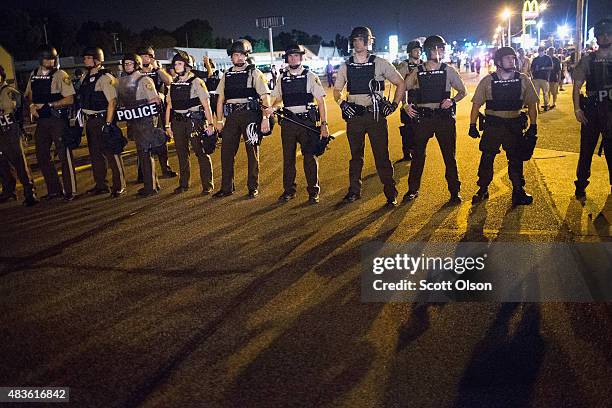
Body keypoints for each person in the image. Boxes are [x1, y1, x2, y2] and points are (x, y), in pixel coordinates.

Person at [333, 26, 406, 206]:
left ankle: (390, 193)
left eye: (360, 39)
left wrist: (394, 105)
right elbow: (336, 91)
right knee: (355, 156)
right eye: (355, 39)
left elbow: (401, 83)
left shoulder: (380, 63)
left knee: (382, 156)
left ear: (368, 41)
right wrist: (342, 103)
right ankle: (354, 191)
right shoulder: (346, 65)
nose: (357, 42)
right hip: (355, 117)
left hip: (375, 117)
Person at [469, 47, 539, 206]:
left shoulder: (523, 79)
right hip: (493, 126)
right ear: (498, 62)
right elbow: (476, 105)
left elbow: (532, 104)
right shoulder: (488, 81)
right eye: (508, 58)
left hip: (514, 125)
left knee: (515, 159)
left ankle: (518, 191)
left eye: (513, 58)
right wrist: (472, 125)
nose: (511, 61)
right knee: (487, 158)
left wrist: (533, 125)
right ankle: (483, 189)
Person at [404, 35, 467, 204]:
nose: (438, 52)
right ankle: (412, 189)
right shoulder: (418, 71)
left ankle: (455, 191)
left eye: (440, 49)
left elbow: (463, 91)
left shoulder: (448, 70)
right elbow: (403, 86)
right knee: (418, 156)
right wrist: (405, 105)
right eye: (434, 49)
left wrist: (452, 101)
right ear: (427, 51)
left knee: (449, 156)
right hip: (423, 118)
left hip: (443, 118)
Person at [266, 43, 329, 204]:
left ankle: (313, 191)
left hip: (306, 122)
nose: (293, 58)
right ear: (287, 58)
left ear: (301, 57)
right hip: (288, 123)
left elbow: (321, 102)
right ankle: (289, 191)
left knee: (309, 157)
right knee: (288, 159)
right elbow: (278, 99)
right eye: (290, 56)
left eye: (296, 55)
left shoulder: (310, 76)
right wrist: (272, 109)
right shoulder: (282, 77)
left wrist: (324, 124)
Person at [213, 39, 271, 198]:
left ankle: (253, 187)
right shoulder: (227, 74)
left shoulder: (254, 72)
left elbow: (265, 97)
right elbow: (220, 99)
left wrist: (265, 118)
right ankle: (226, 188)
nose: (238, 58)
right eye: (235, 55)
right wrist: (219, 121)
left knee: (252, 152)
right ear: (231, 57)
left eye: (241, 55)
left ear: (246, 56)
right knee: (226, 153)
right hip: (231, 117)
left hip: (250, 116)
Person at [25, 44, 77, 200]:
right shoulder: (34, 74)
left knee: (64, 155)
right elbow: (29, 94)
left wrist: (50, 104)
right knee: (41, 155)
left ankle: (70, 190)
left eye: (53, 59)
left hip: (57, 119)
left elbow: (70, 98)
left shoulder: (61, 74)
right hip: (42, 121)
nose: (52, 62)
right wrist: (32, 105)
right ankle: (54, 190)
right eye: (48, 59)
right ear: (41, 60)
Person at [164, 50, 216, 195]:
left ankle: (207, 185)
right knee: (181, 154)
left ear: (187, 66)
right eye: (175, 64)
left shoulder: (197, 82)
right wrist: (167, 125)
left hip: (194, 122)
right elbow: (169, 105)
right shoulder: (173, 83)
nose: (176, 66)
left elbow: (206, 105)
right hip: (178, 122)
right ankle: (184, 184)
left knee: (201, 152)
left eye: (180, 63)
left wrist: (211, 124)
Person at [572, 18, 612, 200]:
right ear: (596, 37)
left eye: (608, 34)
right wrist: (577, 109)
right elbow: (577, 86)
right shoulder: (588, 60)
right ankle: (580, 184)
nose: (605, 37)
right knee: (586, 150)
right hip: (592, 111)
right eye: (601, 35)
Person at [116, 53, 162, 196]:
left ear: (136, 64)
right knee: (142, 153)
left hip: (145, 120)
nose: (127, 66)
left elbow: (154, 100)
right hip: (134, 121)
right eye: (125, 63)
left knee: (145, 151)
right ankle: (153, 184)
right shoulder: (122, 81)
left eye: (130, 63)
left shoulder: (144, 80)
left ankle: (150, 187)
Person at [0, 65, 38, 206]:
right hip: (2, 132)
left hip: (11, 131)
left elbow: (10, 109)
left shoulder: (9, 91)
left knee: (19, 162)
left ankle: (30, 192)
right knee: (2, 163)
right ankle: (8, 191)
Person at [137, 46, 177, 179]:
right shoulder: (135, 72)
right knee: (142, 142)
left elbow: (169, 81)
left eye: (148, 56)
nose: (145, 59)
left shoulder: (157, 70)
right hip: (141, 111)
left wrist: (157, 68)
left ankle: (165, 168)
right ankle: (142, 173)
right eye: (143, 56)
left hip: (157, 110)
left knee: (161, 139)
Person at [396, 40, 423, 162]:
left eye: (419, 50)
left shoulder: (424, 64)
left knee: (420, 128)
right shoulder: (404, 65)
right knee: (408, 129)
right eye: (415, 50)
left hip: (421, 100)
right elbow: (401, 86)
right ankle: (406, 153)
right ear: (409, 52)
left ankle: (418, 151)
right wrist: (404, 104)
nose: (418, 52)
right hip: (408, 99)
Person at [531, 46, 553, 111]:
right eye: (539, 50)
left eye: (541, 50)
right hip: (536, 78)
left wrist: (543, 68)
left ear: (544, 51)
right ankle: (536, 106)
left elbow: (551, 67)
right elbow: (531, 68)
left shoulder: (548, 58)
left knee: (545, 93)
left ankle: (546, 105)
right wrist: (533, 71)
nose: (540, 52)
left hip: (544, 78)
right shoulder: (535, 59)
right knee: (536, 93)